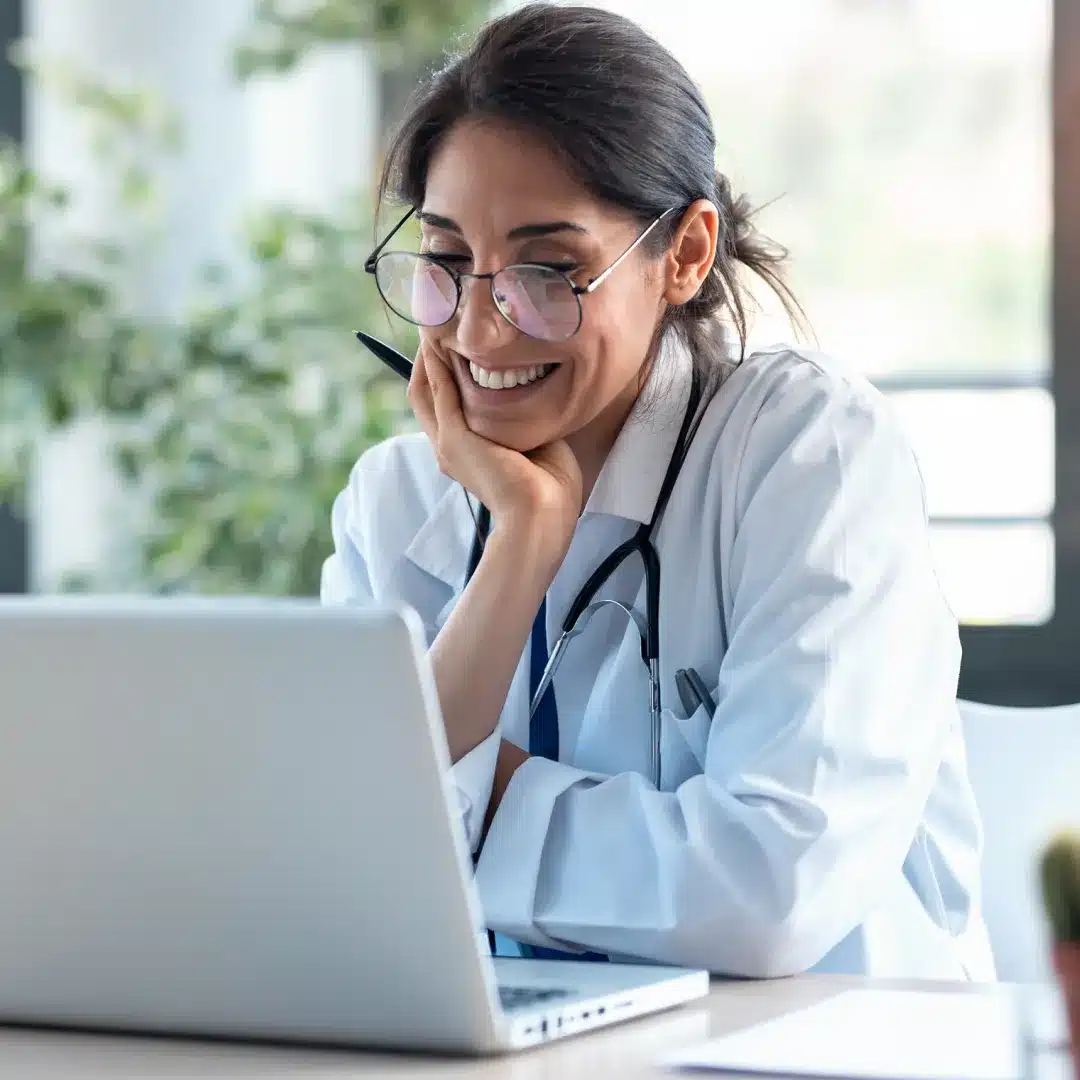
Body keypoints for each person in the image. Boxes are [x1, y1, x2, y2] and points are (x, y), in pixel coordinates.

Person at [321, 2, 995, 980]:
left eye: (549, 271)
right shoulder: (396, 502)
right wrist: (519, 544)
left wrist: (465, 807)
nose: (480, 332)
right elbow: (341, 870)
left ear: (683, 254)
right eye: (448, 262)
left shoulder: (806, 452)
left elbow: (770, 893)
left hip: (828, 1042)